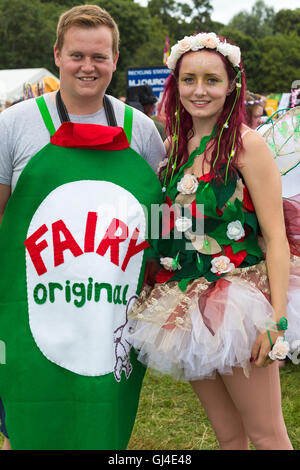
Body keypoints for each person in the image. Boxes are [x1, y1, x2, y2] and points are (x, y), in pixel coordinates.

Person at [0, 4, 165, 450]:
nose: (87, 67)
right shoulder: (14, 125)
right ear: (57, 54)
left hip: (108, 309)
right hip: (32, 305)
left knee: (100, 421)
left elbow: (159, 218)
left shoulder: (143, 131)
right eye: (77, 55)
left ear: (115, 59)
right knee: (28, 419)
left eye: (99, 56)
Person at [126, 32, 300, 450]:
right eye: (189, 80)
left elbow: (277, 238)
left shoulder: (247, 146)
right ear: (175, 85)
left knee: (266, 433)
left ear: (232, 85)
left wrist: (276, 322)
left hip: (240, 309)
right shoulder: (171, 152)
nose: (199, 90)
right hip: (186, 309)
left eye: (211, 80)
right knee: (229, 436)